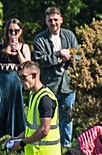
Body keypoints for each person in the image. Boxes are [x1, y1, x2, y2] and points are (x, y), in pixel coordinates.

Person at [33, 6, 79, 147]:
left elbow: (78, 56)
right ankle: (49, 145)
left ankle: (66, 147)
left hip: (68, 85)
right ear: (46, 21)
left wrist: (70, 57)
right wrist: (58, 55)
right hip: (49, 85)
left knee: (67, 118)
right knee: (48, 118)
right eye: (50, 20)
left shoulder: (69, 36)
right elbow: (40, 60)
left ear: (61, 20)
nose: (53, 23)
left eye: (55, 20)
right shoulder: (40, 39)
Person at [0, 18, 31, 141]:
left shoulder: (25, 47)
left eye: (16, 31)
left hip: (15, 84)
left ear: (20, 32)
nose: (13, 34)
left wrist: (18, 52)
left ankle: (15, 142)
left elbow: (27, 67)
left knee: (14, 113)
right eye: (10, 31)